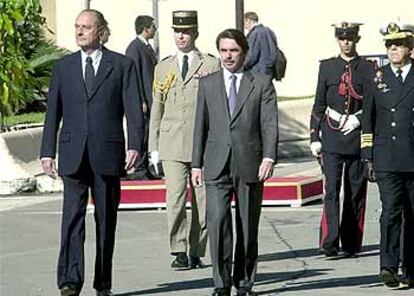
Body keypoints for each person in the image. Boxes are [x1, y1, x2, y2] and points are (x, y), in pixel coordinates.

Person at [40, 9, 144, 296]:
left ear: (100, 31)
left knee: (105, 221)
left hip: (107, 153)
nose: (79, 31)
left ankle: (103, 283)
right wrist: (47, 151)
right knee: (72, 219)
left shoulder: (122, 65)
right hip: (73, 154)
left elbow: (134, 110)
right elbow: (53, 114)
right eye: (77, 27)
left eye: (86, 27)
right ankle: (69, 281)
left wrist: (135, 144)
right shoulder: (64, 67)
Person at [192, 29, 278, 296]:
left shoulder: (261, 83)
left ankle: (244, 281)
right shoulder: (208, 84)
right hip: (216, 163)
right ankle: (221, 282)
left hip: (249, 162)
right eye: (224, 50)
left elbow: (269, 123)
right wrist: (196, 163)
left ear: (244, 52)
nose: (228, 56)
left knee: (247, 225)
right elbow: (200, 127)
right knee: (217, 222)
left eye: (233, 51)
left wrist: (269, 156)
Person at [148, 10, 220, 269]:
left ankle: (196, 250)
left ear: (195, 33)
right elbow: (157, 109)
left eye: (186, 31)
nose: (181, 36)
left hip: (202, 144)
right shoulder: (163, 67)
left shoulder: (210, 64)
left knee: (202, 202)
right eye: (177, 31)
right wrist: (152, 149)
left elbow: (217, 108)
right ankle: (178, 249)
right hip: (171, 144)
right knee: (175, 198)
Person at [309, 22, 375, 257]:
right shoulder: (327, 67)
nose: (346, 42)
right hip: (332, 137)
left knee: (356, 190)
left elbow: (371, 104)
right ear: (337, 40)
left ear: (357, 39)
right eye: (342, 38)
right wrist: (314, 136)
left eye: (350, 38)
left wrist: (359, 119)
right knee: (331, 190)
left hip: (356, 137)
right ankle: (330, 240)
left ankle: (351, 242)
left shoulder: (367, 67)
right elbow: (318, 105)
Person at [361, 21, 414, 289]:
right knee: (391, 211)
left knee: (412, 213)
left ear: (410, 48)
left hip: (412, 155)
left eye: (399, 45)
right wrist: (367, 155)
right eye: (389, 46)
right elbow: (367, 119)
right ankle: (388, 266)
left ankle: (411, 266)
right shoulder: (378, 77)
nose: (393, 50)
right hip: (387, 156)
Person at [125, 15, 158, 180]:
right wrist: (141, 100)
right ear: (146, 28)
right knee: (142, 134)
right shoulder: (135, 48)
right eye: (153, 26)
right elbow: (134, 75)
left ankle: (145, 167)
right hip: (142, 100)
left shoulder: (146, 47)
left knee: (148, 135)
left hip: (150, 98)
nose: (155, 30)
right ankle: (139, 169)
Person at [243, 12, 278, 77]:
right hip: (269, 71)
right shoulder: (269, 31)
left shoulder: (255, 33)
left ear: (249, 21)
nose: (245, 27)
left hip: (258, 71)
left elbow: (252, 56)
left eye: (245, 23)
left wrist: (242, 66)